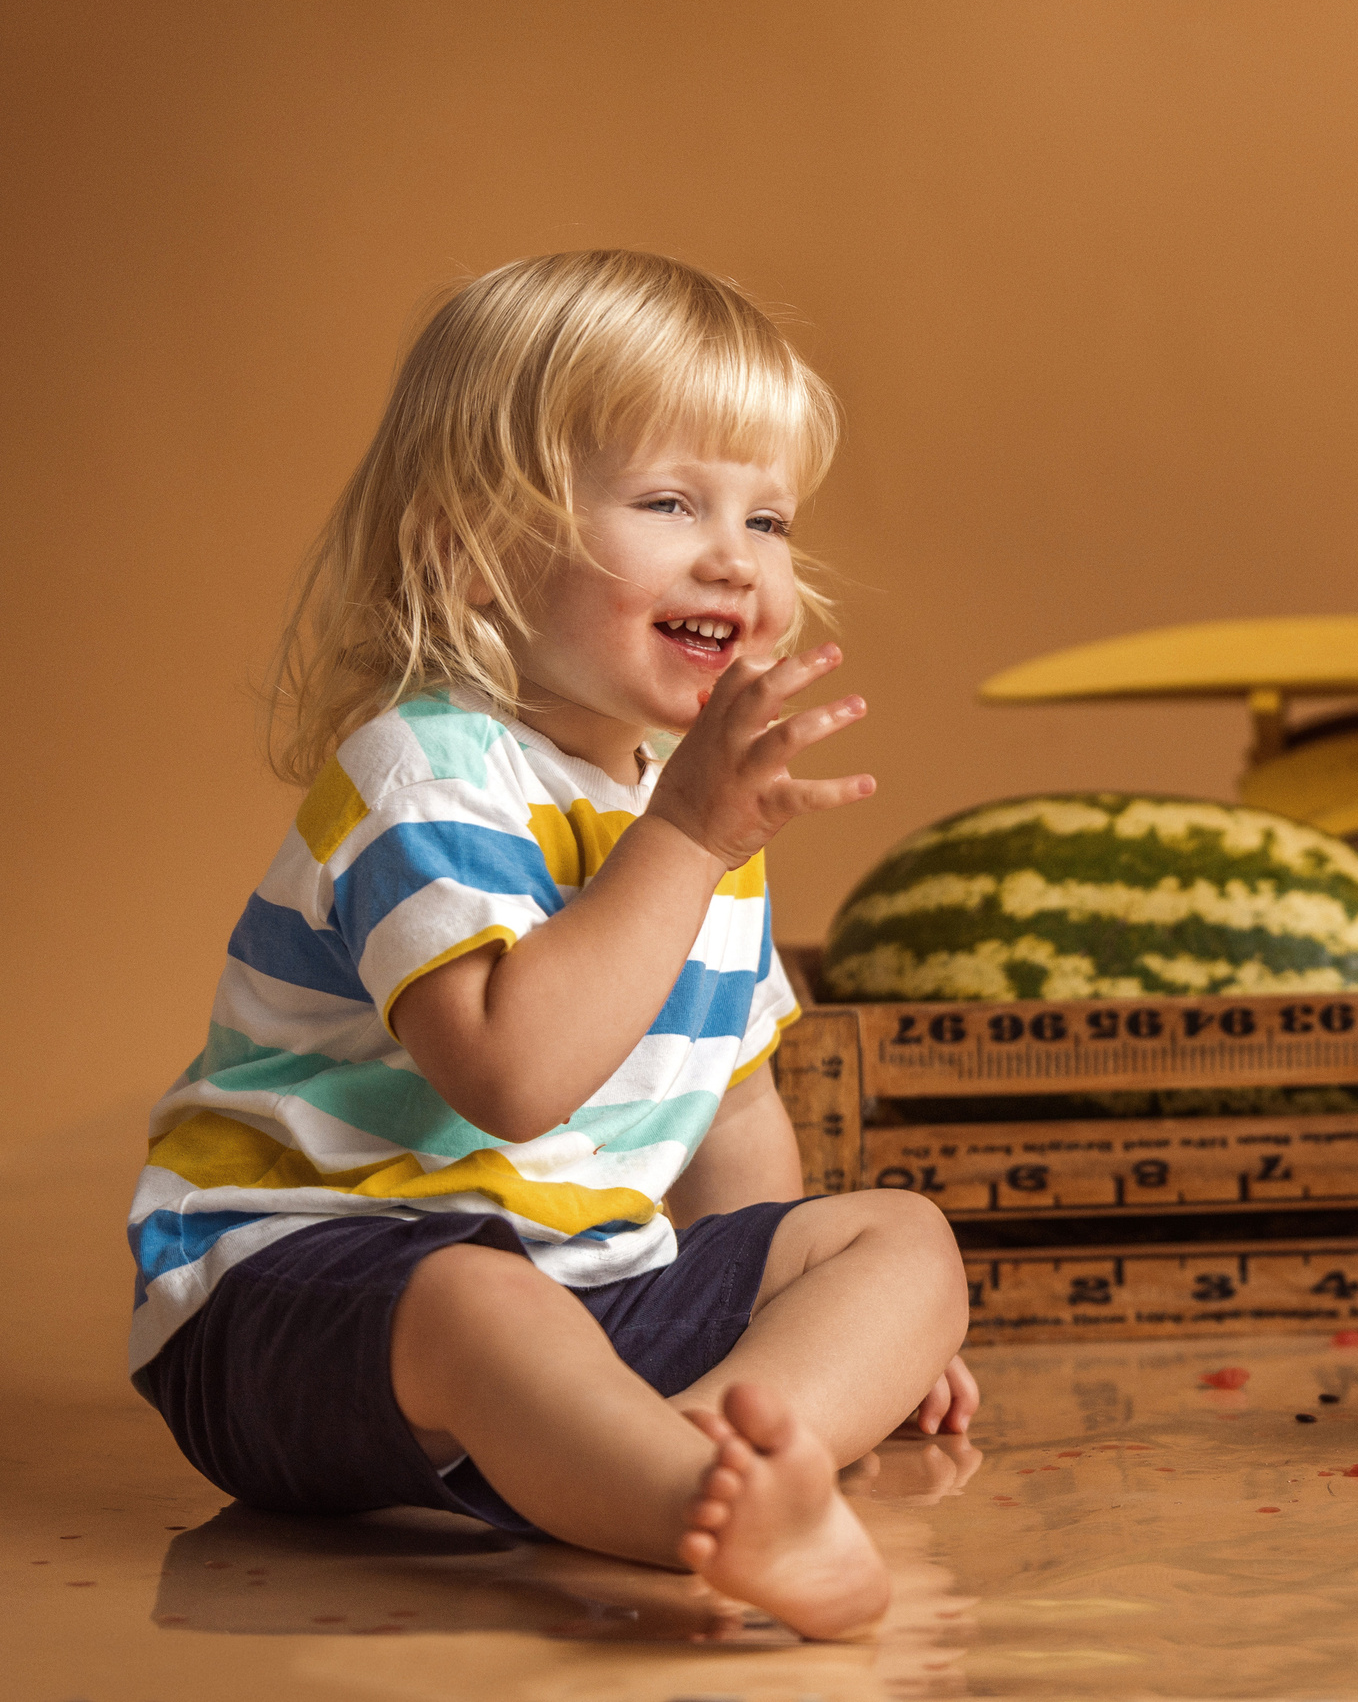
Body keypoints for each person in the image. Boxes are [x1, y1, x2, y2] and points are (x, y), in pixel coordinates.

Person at [125, 250, 972, 1640]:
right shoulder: (424, 772)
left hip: (582, 1294)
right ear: (473, 542)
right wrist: (688, 839)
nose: (735, 559)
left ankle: (728, 1458)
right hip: (299, 1292)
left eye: (767, 518)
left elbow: (727, 1113)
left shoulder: (690, 806)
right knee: (478, 1300)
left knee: (901, 1241)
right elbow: (513, 1077)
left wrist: (792, 1342)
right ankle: (684, 1492)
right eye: (668, 502)